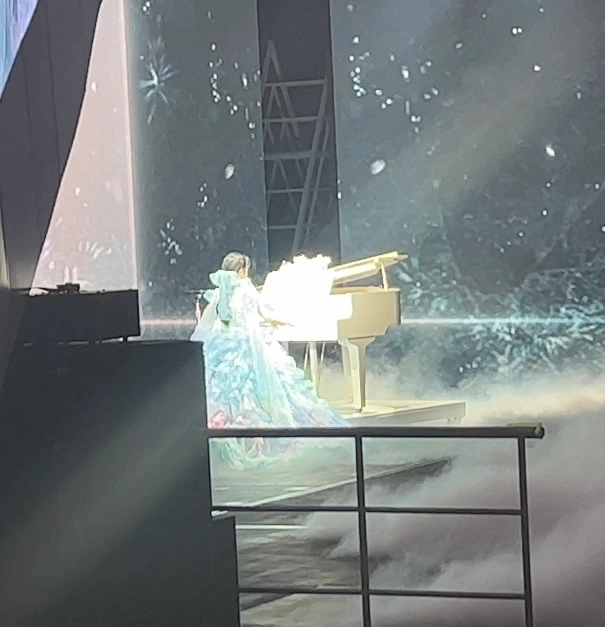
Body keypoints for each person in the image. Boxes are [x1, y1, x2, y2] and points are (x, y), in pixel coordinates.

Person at [190, 251, 347, 468]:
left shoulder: (220, 292)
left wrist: (196, 340)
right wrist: (283, 320)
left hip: (223, 342)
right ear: (242, 269)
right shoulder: (246, 288)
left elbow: (210, 320)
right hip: (249, 343)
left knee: (226, 390)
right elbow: (263, 312)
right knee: (265, 385)